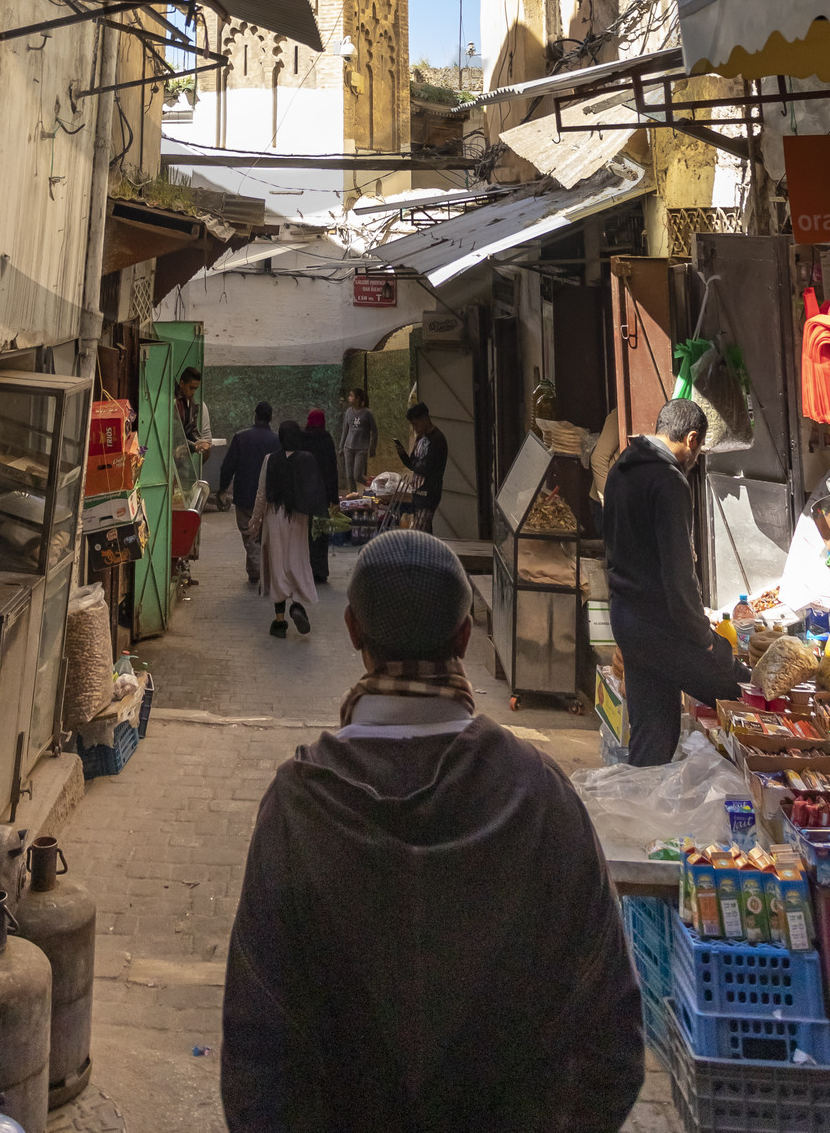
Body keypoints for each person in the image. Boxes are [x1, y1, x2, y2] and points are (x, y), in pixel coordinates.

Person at [222, 529, 645, 1133]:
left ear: (352, 632)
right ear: (466, 635)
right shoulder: (540, 794)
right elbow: (611, 1037)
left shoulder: (297, 806)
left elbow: (256, 1056)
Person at [601, 396, 746, 766]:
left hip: (627, 621)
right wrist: (706, 641)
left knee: (653, 736)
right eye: (698, 450)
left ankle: (643, 815)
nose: (696, 460)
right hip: (660, 626)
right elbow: (679, 577)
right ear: (692, 439)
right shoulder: (669, 483)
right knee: (742, 689)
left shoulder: (620, 470)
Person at [252, 421, 325, 637]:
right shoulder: (307, 459)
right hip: (299, 518)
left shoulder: (269, 459)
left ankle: (279, 621)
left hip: (275, 516)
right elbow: (315, 490)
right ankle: (297, 604)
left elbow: (261, 494)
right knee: (297, 561)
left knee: (278, 565)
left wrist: (255, 520)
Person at [218, 402, 282, 586]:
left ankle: (258, 571)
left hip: (245, 494)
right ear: (270, 417)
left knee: (249, 534)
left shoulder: (240, 438)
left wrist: (222, 488)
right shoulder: (277, 440)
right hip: (269, 495)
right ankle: (255, 572)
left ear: (255, 415)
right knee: (262, 534)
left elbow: (228, 466)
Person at [297, 406, 340, 586]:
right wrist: (334, 499)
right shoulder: (326, 440)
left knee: (304, 534)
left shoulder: (301, 439)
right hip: (321, 494)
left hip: (303, 494)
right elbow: (332, 471)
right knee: (320, 533)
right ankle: (320, 571)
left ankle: (304, 570)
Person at [394, 402, 447, 530]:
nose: (415, 428)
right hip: (418, 495)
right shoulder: (420, 439)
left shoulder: (437, 440)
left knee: (419, 533)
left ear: (425, 419)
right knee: (424, 534)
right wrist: (402, 455)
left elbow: (426, 468)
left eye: (416, 424)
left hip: (429, 494)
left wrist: (415, 464)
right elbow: (412, 464)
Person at [339, 387, 377, 492]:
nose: (349, 398)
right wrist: (341, 447)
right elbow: (345, 430)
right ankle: (353, 498)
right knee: (349, 476)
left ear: (358, 398)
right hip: (348, 447)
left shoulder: (367, 413)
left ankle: (374, 486)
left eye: (351, 396)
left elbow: (374, 431)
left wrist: (373, 446)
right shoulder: (348, 412)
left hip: (361, 448)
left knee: (357, 476)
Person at [175, 366, 212, 462]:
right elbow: (174, 434)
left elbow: (192, 429)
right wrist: (194, 446)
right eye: (191, 388)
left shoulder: (191, 402)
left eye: (195, 389)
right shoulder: (174, 403)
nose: (193, 392)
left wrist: (200, 442)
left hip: (183, 452)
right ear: (182, 384)